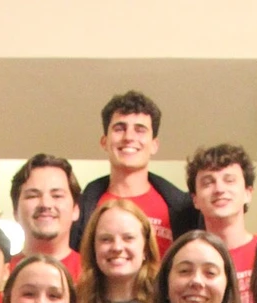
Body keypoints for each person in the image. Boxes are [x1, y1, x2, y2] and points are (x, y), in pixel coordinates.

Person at [71, 90, 195, 259]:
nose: (129, 137)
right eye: (119, 128)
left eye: (140, 130)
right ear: (104, 142)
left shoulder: (184, 209)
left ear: (154, 145)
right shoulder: (82, 209)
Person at [74, 199, 161, 303]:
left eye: (128, 238)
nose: (117, 247)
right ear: (93, 247)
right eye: (106, 239)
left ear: (145, 248)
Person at [186, 145, 257, 303]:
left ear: (248, 193)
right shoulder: (184, 257)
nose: (219, 189)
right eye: (208, 183)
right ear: (195, 199)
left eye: (229, 180)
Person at [11, 155, 83, 280]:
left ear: (75, 209)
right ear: (15, 211)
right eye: (33, 196)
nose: (45, 204)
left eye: (57, 196)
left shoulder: (94, 276)